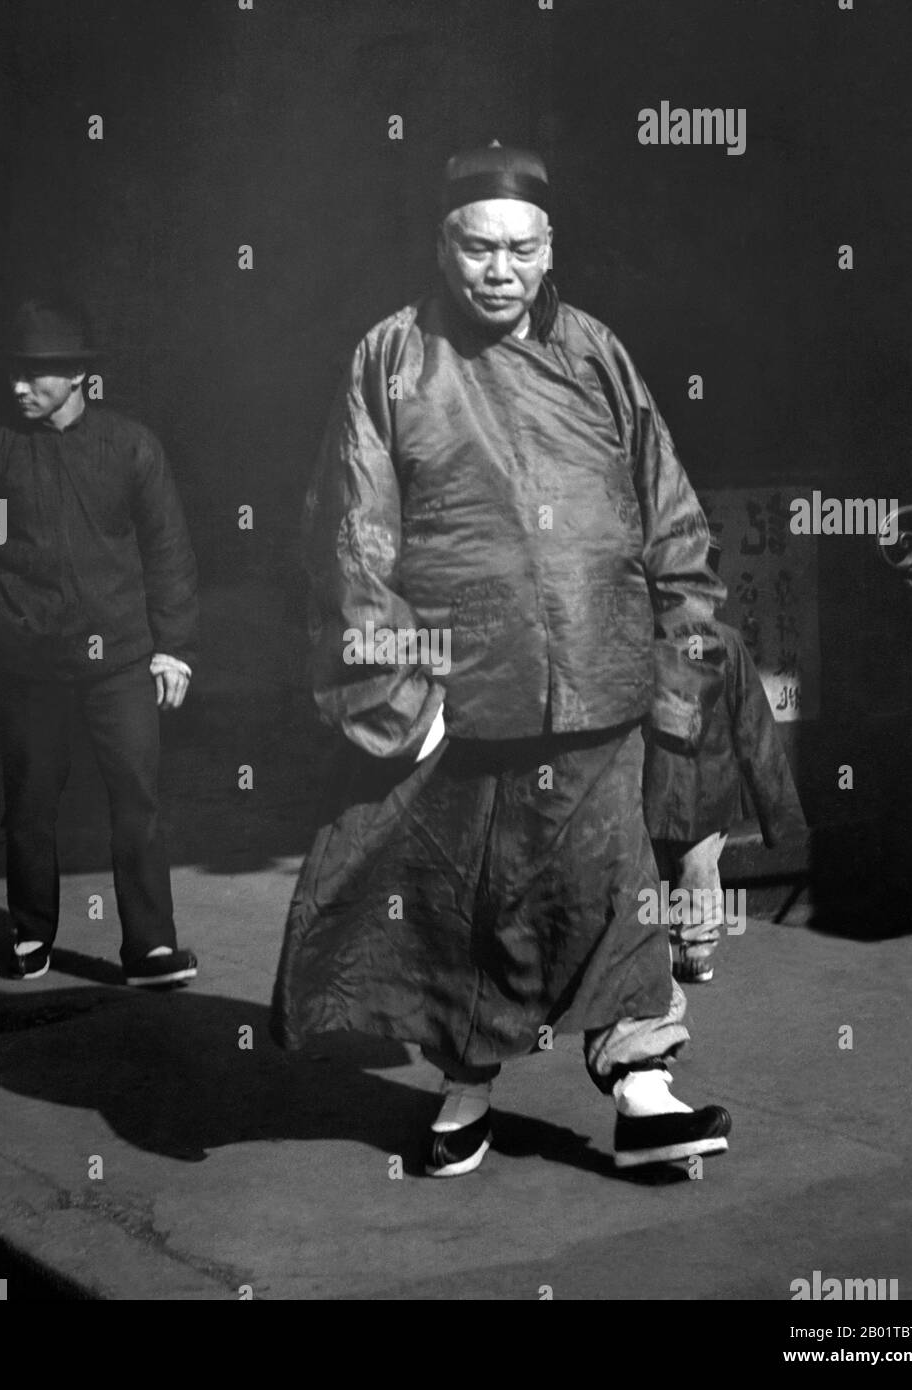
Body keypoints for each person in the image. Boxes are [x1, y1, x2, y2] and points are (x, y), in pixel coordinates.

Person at [271, 143, 733, 1177]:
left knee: (612, 889)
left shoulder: (595, 353)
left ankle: (644, 1083)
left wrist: (675, 676)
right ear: (440, 248)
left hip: (601, 684)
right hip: (460, 700)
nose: (498, 269)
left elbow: (672, 523)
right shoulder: (390, 358)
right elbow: (350, 537)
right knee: (463, 907)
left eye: (520, 249)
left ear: (548, 247)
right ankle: (466, 1081)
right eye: (476, 247)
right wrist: (402, 691)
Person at [0, 297, 200, 987]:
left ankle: (150, 948)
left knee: (136, 800)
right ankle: (30, 934)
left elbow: (168, 550)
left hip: (122, 661)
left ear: (76, 375)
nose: (19, 387)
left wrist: (175, 645)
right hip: (30, 664)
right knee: (30, 807)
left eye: (36, 374)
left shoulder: (129, 446)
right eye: (12, 373)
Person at [643, 615, 808, 983]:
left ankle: (678, 952)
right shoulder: (726, 641)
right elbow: (753, 725)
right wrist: (779, 814)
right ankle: (693, 951)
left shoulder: (642, 635)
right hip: (705, 785)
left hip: (657, 779)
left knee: (672, 872)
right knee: (696, 871)